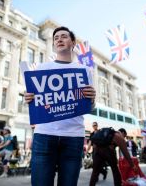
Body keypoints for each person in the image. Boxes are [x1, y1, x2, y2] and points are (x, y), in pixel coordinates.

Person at [24, 26, 96, 186]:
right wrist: (28, 98)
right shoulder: (42, 68)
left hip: (74, 137)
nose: (59, 39)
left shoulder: (84, 70)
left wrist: (92, 99)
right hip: (44, 135)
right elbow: (35, 102)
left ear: (72, 42)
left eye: (64, 36)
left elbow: (89, 108)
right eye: (56, 38)